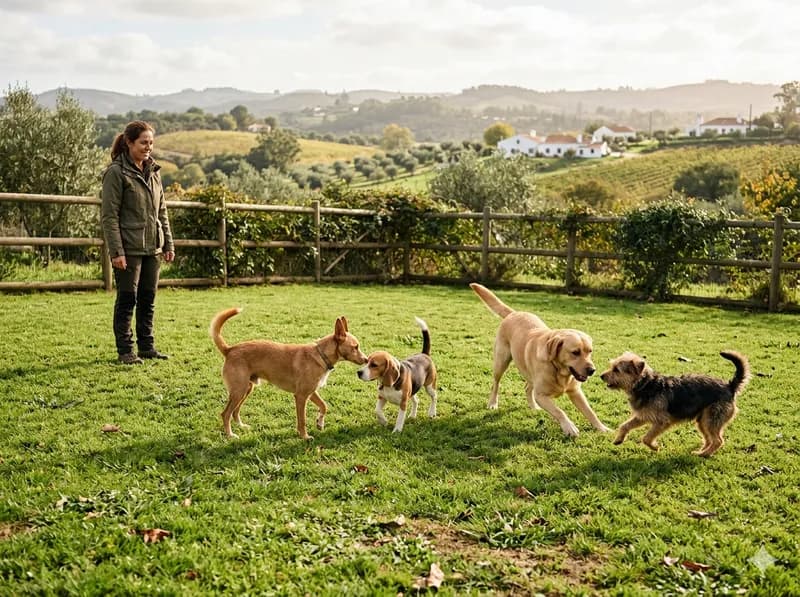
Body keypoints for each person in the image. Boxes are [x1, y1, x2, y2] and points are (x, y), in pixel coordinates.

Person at [101, 120, 175, 364]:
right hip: (128, 248)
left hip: (153, 248)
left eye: (151, 143)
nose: (148, 147)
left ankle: (147, 347)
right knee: (127, 300)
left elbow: (161, 211)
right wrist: (116, 251)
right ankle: (125, 351)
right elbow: (109, 216)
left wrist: (168, 244)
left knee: (148, 299)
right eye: (144, 142)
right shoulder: (116, 173)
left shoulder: (154, 172)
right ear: (129, 142)